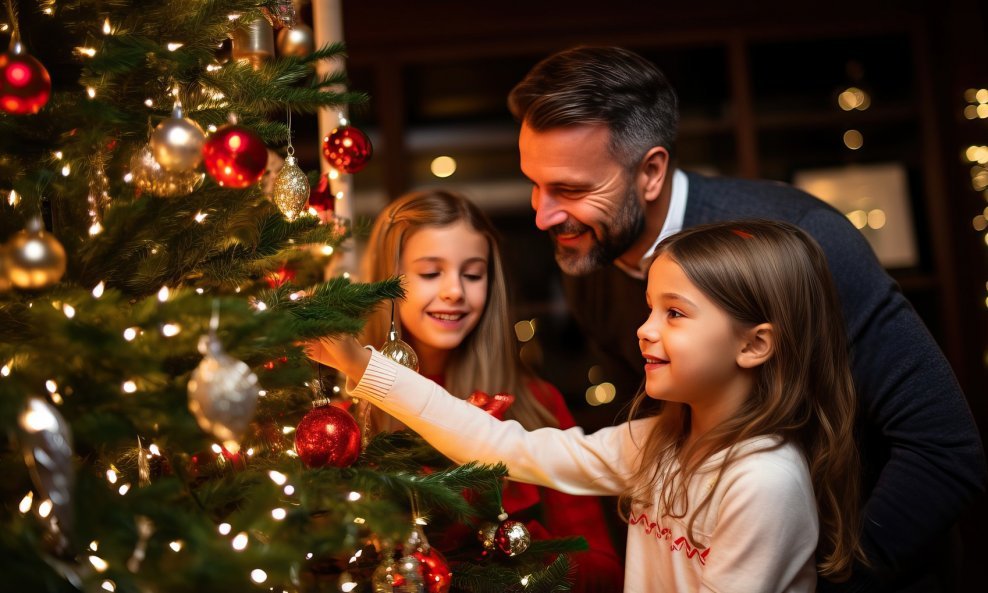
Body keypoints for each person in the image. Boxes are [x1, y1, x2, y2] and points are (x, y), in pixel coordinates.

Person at [505, 45, 987, 591]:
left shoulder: (808, 242)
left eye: (571, 189)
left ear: (652, 171)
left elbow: (945, 449)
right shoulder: (591, 256)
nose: (543, 214)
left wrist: (831, 580)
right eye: (535, 183)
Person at [308, 220, 867, 593]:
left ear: (754, 345)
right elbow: (509, 448)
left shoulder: (764, 481)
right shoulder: (659, 440)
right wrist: (365, 367)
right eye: (649, 308)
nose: (644, 331)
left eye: (675, 313)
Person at [352, 188, 623, 591]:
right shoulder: (343, 423)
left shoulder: (537, 402)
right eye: (430, 272)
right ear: (388, 284)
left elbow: (606, 572)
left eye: (473, 274)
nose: (455, 291)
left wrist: (510, 538)